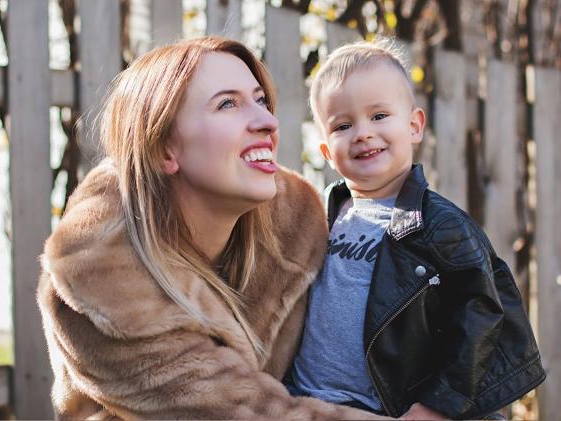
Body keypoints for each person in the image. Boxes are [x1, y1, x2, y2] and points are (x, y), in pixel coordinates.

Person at [37, 36, 389, 420]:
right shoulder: (98, 285)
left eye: (260, 100)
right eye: (228, 104)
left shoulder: (298, 231)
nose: (267, 121)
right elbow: (250, 414)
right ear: (163, 150)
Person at [287, 39, 545, 420]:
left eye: (378, 116)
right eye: (343, 125)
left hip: (386, 409)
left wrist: (438, 405)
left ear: (414, 126)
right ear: (326, 150)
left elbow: (484, 316)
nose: (362, 133)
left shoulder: (439, 225)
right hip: (305, 400)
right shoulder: (319, 213)